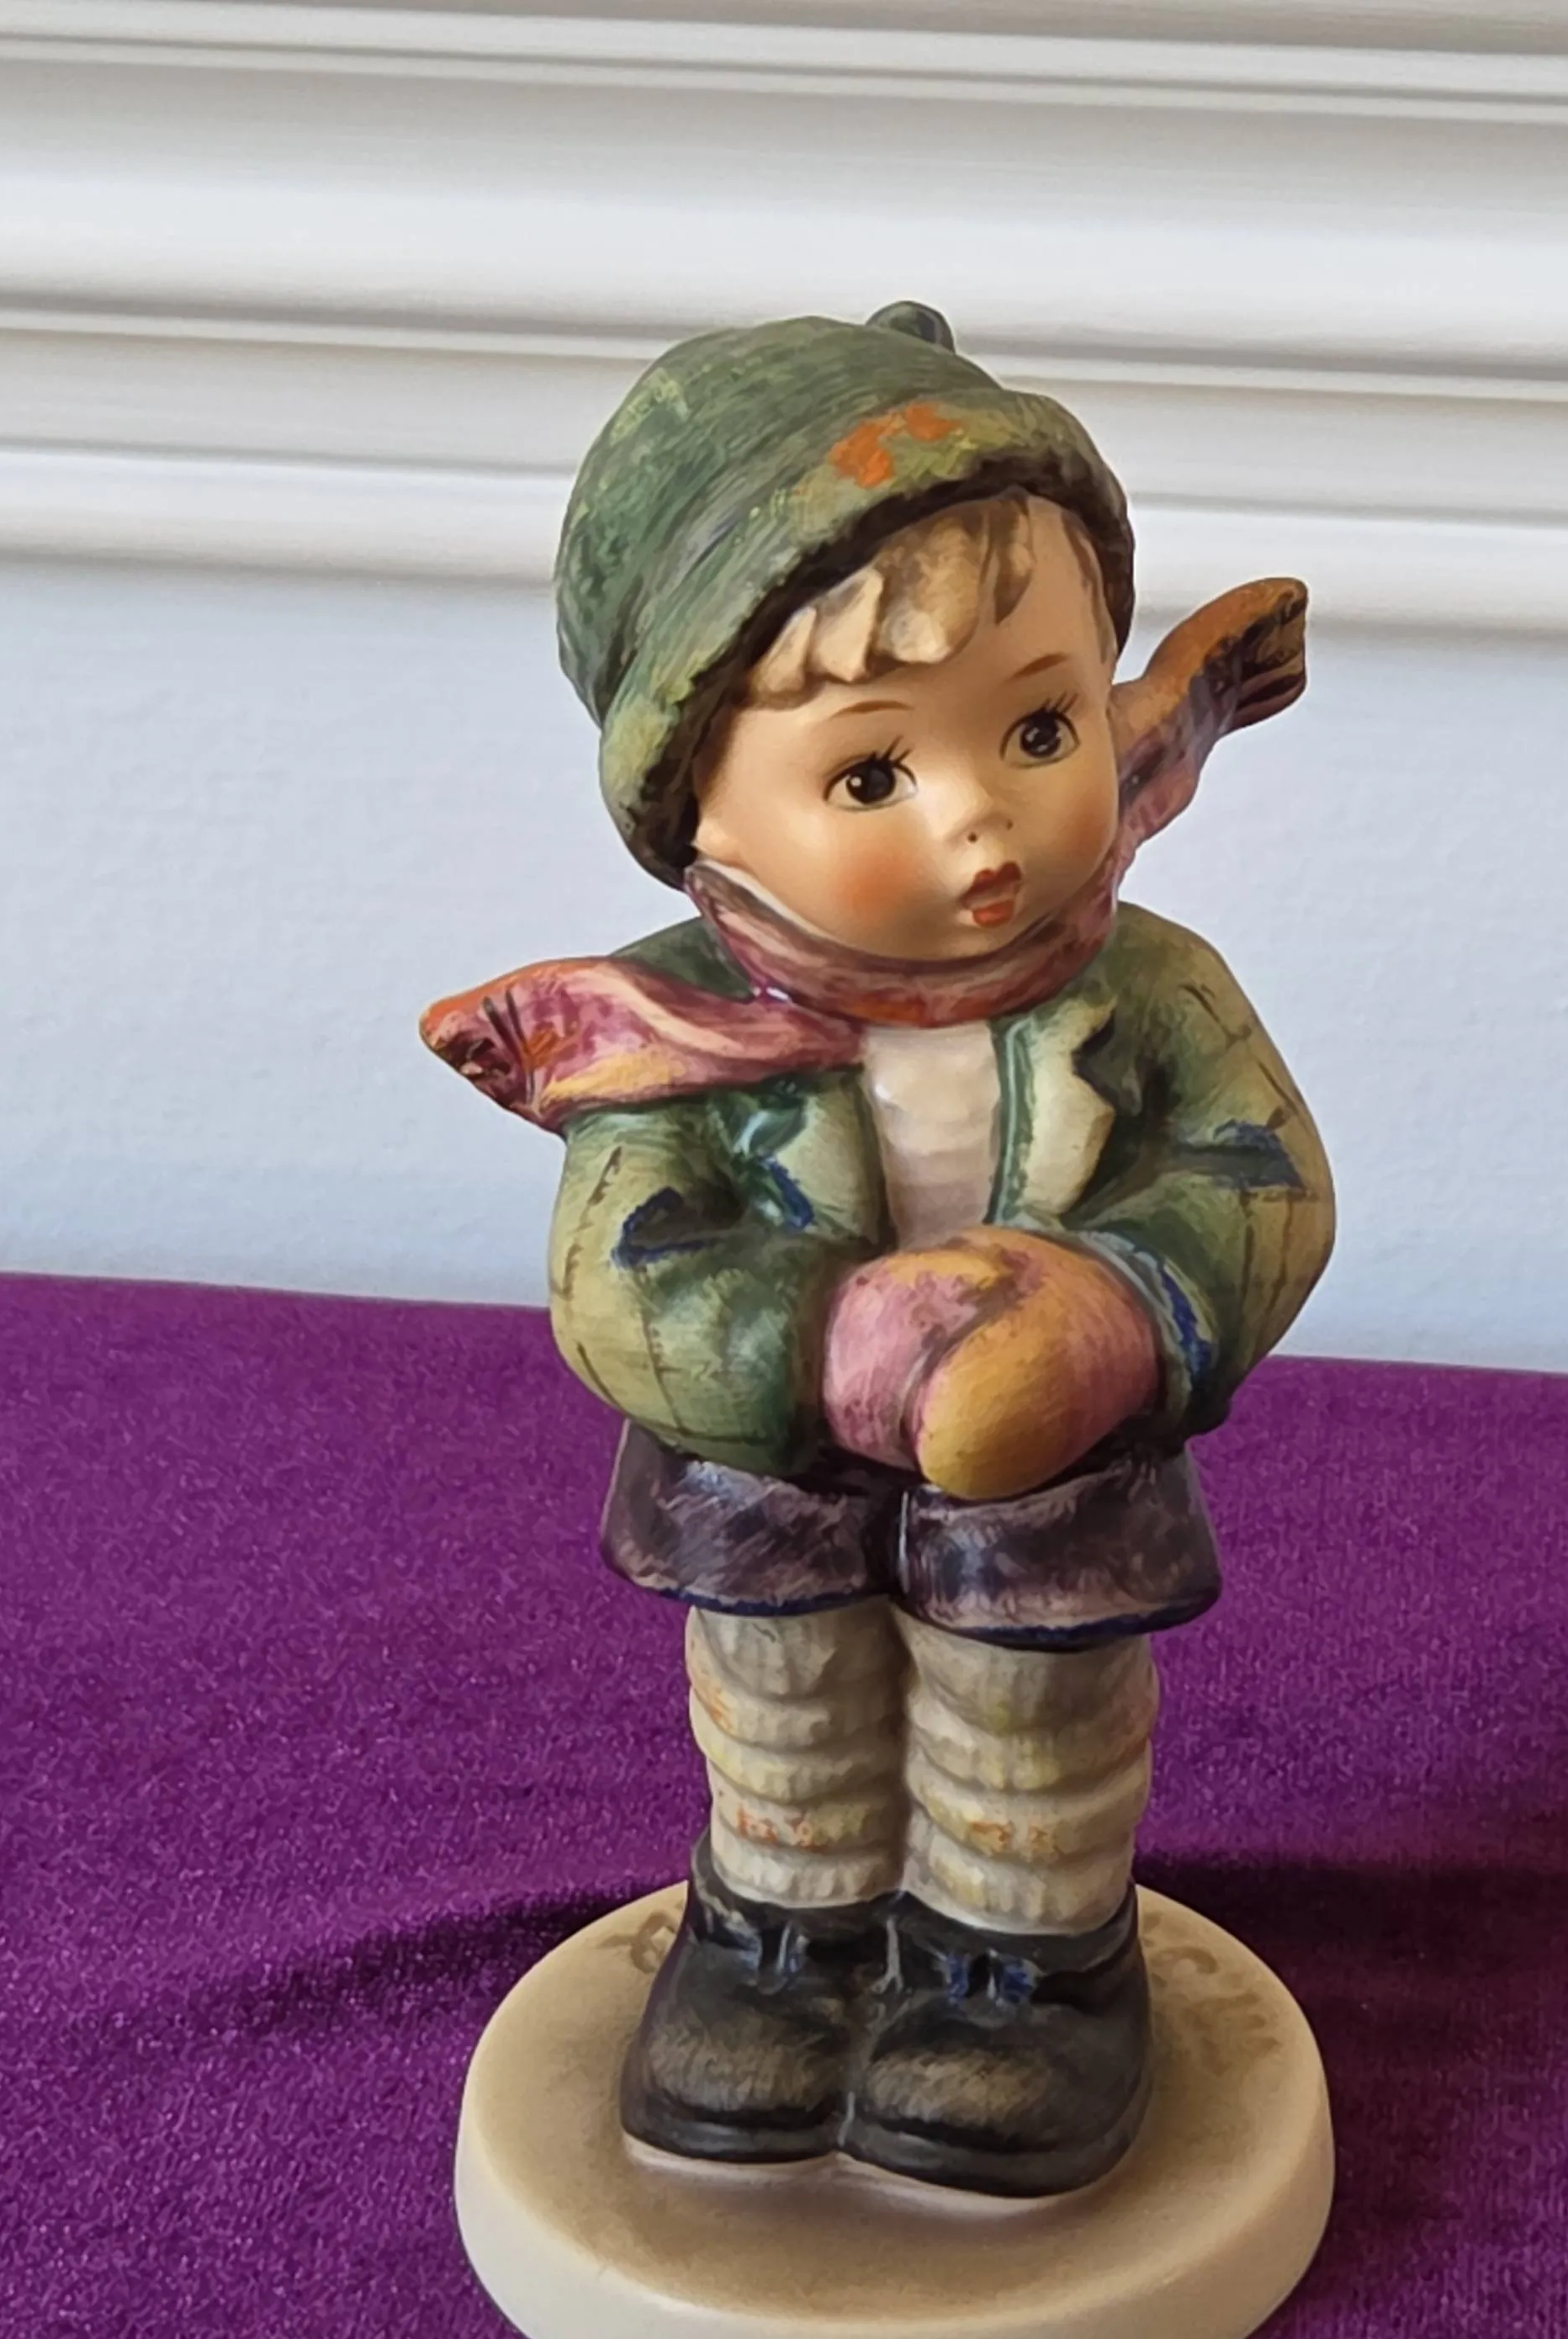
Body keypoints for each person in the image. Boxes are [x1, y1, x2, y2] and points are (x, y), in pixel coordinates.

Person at [423, 301, 1332, 2195]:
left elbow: (1265, 1178)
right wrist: (818, 1342)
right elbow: (621, 1270)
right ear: (699, 806)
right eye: (870, 777)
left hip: (1053, 1471)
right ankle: (783, 1942)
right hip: (773, 1478)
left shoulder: (1147, 991)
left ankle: (1022, 1969)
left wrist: (1113, 1308)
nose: (980, 816)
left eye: (1037, 727)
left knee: (1031, 1729)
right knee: (787, 1723)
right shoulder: (666, 1039)